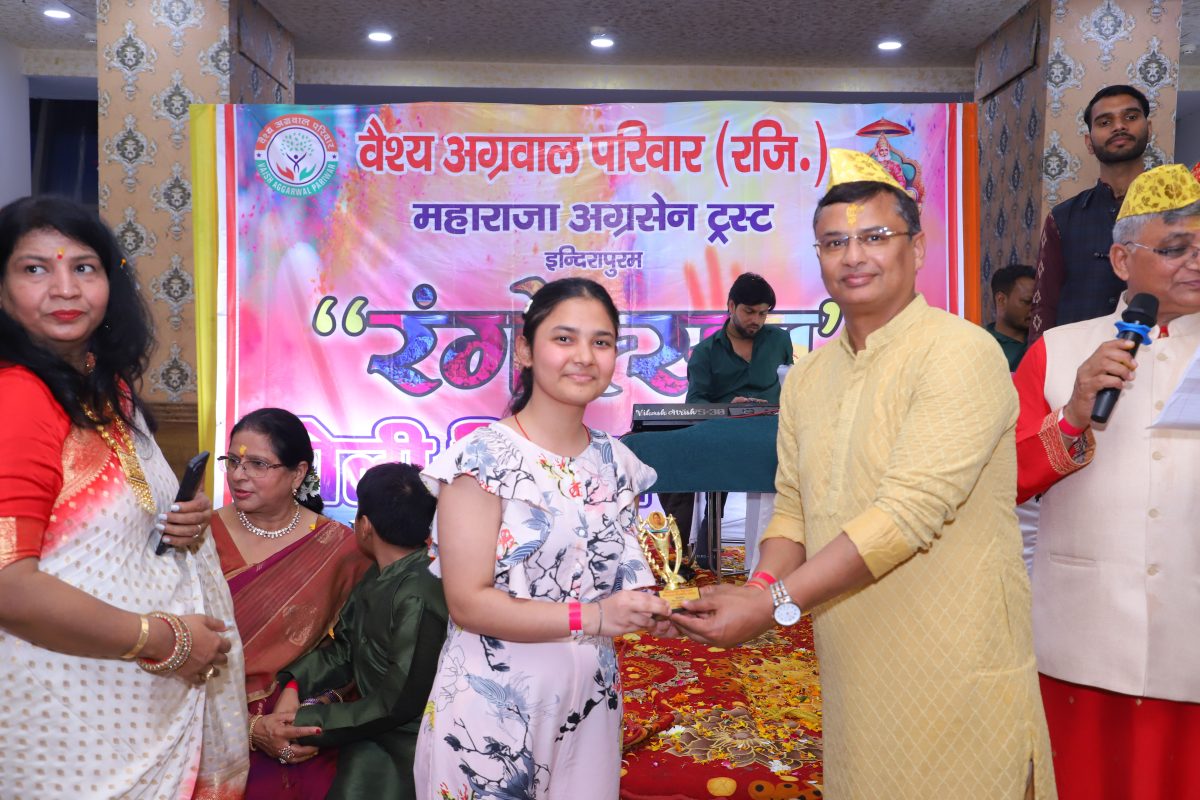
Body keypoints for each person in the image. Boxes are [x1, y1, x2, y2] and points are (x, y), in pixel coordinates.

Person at [673, 150, 1055, 799]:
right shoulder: (809, 377)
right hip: (854, 666)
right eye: (834, 243)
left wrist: (770, 605)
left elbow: (906, 515)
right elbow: (793, 509)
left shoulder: (960, 352)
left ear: (918, 247)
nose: (854, 256)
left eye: (875, 236)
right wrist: (760, 584)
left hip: (955, 661)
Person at [0, 195, 248, 798]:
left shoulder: (104, 388)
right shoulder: (17, 396)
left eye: (84, 267)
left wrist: (178, 522)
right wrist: (166, 641)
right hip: (59, 722)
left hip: (125, 710)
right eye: (35, 269)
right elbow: (8, 584)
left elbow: (101, 522)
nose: (65, 289)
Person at [415, 277, 671, 799]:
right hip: (491, 715)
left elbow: (612, 586)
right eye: (564, 338)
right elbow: (468, 603)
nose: (585, 357)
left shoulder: (617, 463)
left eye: (601, 342)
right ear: (527, 350)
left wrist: (658, 614)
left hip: (590, 704)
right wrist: (593, 618)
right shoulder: (481, 460)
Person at [1014, 163, 1200, 799]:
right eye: (1175, 248)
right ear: (1122, 260)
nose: (1195, 262)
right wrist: (1071, 415)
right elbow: (1002, 479)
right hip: (1085, 632)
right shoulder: (1059, 350)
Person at [261, 462, 448, 800]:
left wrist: (308, 722)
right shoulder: (379, 574)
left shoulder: (419, 592)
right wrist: (295, 684)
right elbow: (345, 647)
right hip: (368, 728)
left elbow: (397, 703)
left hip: (408, 746)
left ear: (364, 526)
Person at [211, 407, 371, 798]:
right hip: (207, 726)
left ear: (298, 473)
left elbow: (356, 649)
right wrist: (249, 728)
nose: (238, 475)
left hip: (299, 722)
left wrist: (300, 694)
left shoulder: (340, 549)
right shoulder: (199, 537)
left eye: (257, 464)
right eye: (232, 461)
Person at [661, 272, 794, 565]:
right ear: (731, 306)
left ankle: (788, 551)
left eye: (763, 314)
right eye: (749, 312)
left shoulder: (780, 340)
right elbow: (695, 404)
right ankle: (684, 553)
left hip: (772, 434)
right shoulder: (705, 352)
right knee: (674, 454)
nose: (756, 320)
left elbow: (791, 383)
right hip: (724, 432)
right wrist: (727, 407)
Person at [1030, 85, 1151, 340]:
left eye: (1130, 117)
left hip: (1160, 355)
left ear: (1148, 129)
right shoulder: (1062, 218)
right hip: (1078, 358)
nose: (1119, 126)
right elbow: (1044, 306)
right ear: (1089, 142)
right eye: (1105, 122)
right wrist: (1040, 360)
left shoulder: (1180, 209)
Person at [986, 264, 1037, 371]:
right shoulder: (983, 345)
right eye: (1027, 302)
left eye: (1037, 303)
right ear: (1001, 300)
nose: (1035, 309)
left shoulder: (1044, 340)